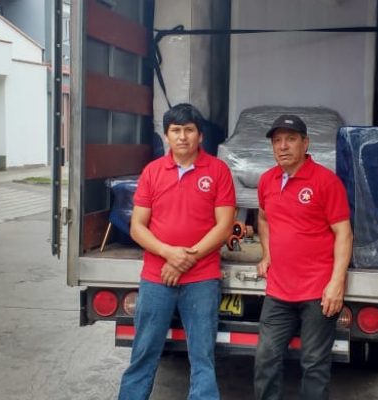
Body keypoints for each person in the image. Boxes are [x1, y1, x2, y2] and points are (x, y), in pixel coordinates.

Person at [118, 103, 236, 400]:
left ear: (200, 136)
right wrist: (170, 254)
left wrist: (185, 259)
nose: (182, 137)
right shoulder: (152, 172)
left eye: (188, 130)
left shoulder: (219, 171)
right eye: (175, 131)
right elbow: (137, 227)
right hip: (157, 278)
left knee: (202, 357)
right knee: (144, 352)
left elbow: (224, 228)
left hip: (202, 279)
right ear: (167, 137)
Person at [254, 114, 353, 400]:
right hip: (278, 292)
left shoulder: (326, 182)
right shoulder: (266, 180)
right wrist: (267, 254)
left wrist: (337, 282)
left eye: (291, 139)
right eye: (277, 141)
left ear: (305, 143)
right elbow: (263, 218)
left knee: (314, 365)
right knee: (265, 360)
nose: (283, 146)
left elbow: (344, 234)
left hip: (317, 292)